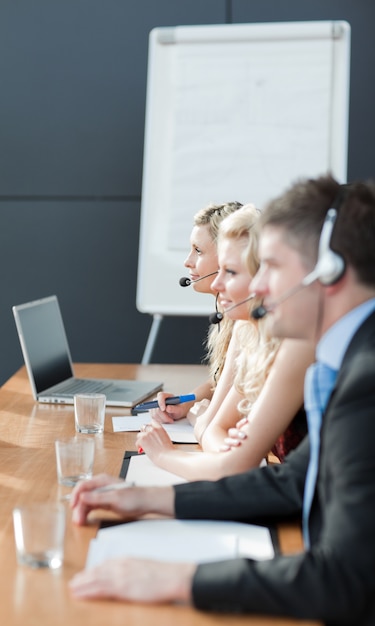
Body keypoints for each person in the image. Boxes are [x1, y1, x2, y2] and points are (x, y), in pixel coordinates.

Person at [69, 175, 375, 625]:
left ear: (328, 270)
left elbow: (343, 580)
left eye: (271, 265)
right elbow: (290, 482)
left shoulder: (365, 379)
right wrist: (144, 499)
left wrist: (180, 580)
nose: (261, 287)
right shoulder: (352, 361)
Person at [136, 207, 312, 478]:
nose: (217, 283)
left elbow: (232, 461)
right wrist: (199, 413)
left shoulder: (294, 346)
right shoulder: (252, 334)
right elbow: (221, 440)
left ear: (264, 277)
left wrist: (166, 453)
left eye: (229, 271)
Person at [152, 201, 243, 424]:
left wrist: (199, 416)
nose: (187, 262)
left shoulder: (246, 323)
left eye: (198, 251)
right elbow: (221, 383)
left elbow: (217, 421)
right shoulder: (226, 313)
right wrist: (188, 401)